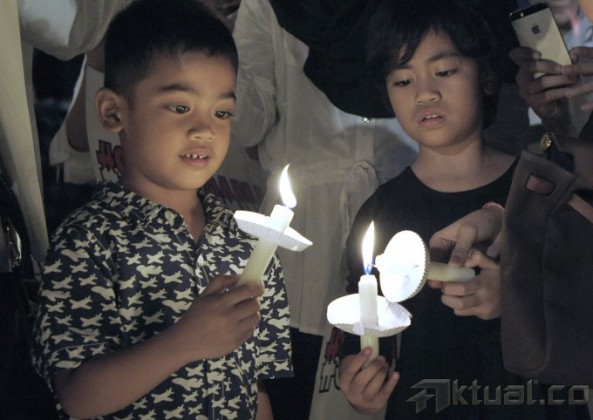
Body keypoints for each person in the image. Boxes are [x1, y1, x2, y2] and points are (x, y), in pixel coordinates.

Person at [31, 1, 292, 418]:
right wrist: (184, 341)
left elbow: (255, 386)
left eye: (222, 112)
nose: (205, 130)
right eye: (180, 107)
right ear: (114, 112)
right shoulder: (88, 241)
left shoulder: (248, 243)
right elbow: (77, 396)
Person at [337, 0, 586, 418]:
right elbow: (361, 316)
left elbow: (577, 296)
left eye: (445, 71)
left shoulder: (540, 188)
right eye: (403, 80)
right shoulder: (381, 210)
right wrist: (358, 378)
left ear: (485, 76)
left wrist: (515, 299)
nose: (425, 93)